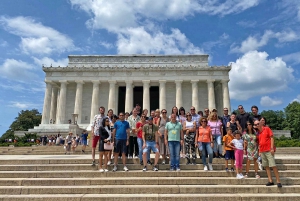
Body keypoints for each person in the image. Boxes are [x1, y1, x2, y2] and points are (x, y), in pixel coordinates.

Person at [254, 120, 282, 187]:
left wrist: (272, 148)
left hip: (269, 150)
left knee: (273, 165)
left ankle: (278, 181)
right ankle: (270, 180)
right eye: (255, 124)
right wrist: (260, 151)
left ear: (261, 123)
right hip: (262, 151)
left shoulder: (267, 129)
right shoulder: (259, 133)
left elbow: (272, 138)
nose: (257, 125)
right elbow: (260, 143)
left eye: (258, 123)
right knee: (266, 166)